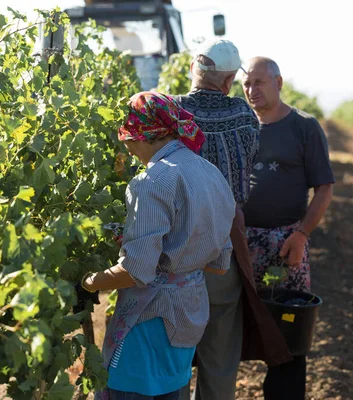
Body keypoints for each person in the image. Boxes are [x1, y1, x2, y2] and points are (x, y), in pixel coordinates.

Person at [83, 91, 237, 400]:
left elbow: (136, 272)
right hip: (189, 312)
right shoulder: (211, 173)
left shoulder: (152, 181)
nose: (126, 148)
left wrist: (88, 283)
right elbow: (219, 263)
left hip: (150, 319)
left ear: (141, 135)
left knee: (130, 392)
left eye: (127, 140)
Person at [175, 40, 291, 400]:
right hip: (225, 238)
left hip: (177, 243)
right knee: (220, 351)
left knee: (174, 347)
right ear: (228, 81)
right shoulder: (242, 115)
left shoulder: (173, 111)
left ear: (196, 72)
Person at [241, 57, 335, 400]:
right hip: (239, 244)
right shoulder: (240, 127)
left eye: (259, 83)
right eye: (246, 83)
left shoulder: (304, 127)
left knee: (288, 328)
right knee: (230, 326)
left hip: (285, 246)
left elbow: (324, 188)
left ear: (278, 83)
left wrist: (301, 235)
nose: (252, 90)